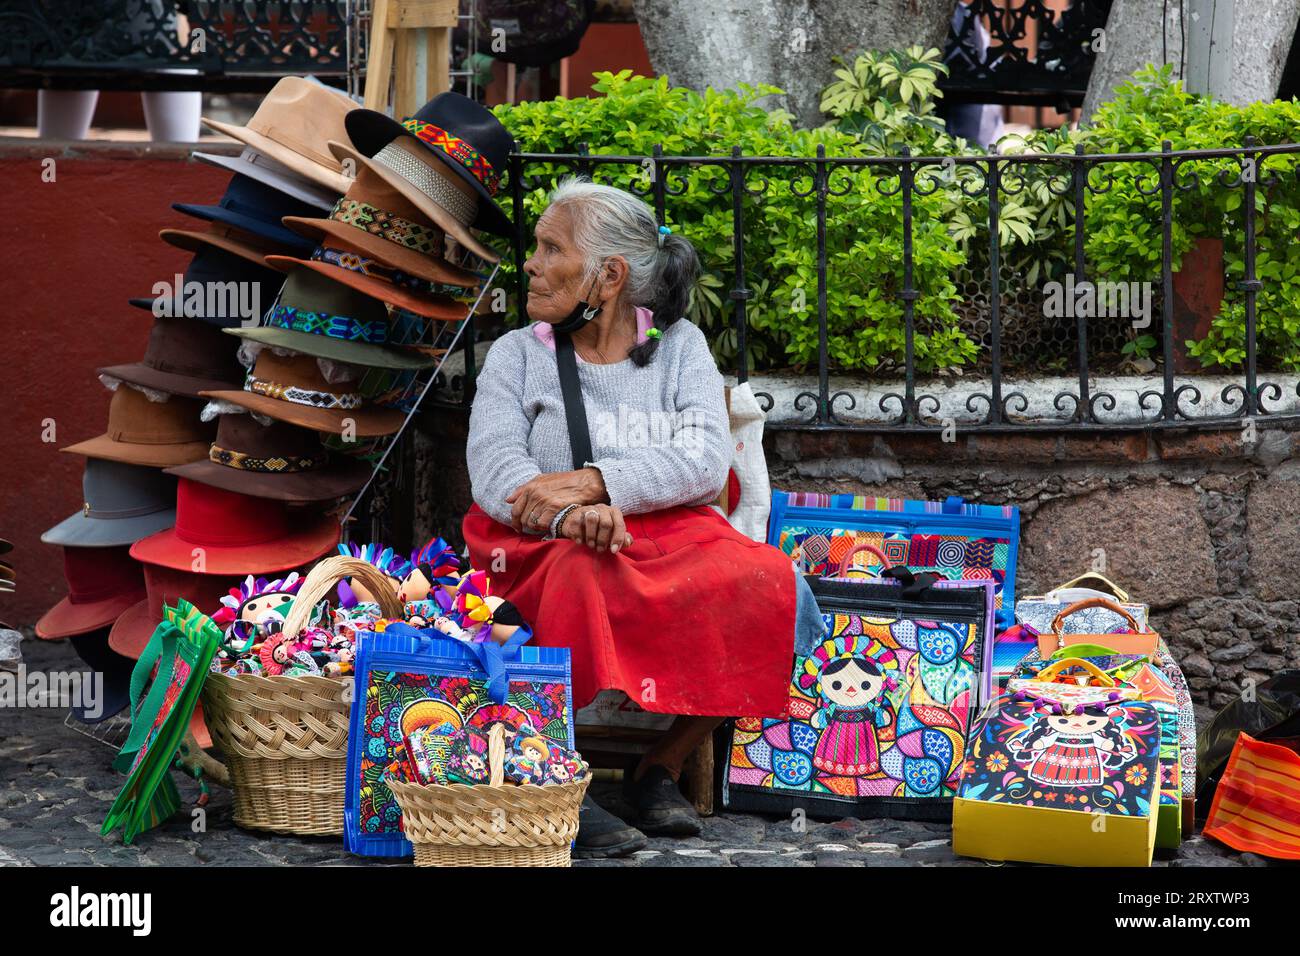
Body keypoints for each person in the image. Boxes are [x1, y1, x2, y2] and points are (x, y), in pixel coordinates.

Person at [462, 177, 826, 858]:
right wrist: (572, 520)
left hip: (670, 531)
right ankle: (556, 775)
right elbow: (495, 472)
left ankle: (658, 764)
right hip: (541, 542)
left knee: (772, 581)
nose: (531, 264)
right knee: (578, 576)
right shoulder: (517, 355)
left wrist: (601, 483)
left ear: (609, 274)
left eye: (549, 247)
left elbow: (701, 458)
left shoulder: (678, 345)